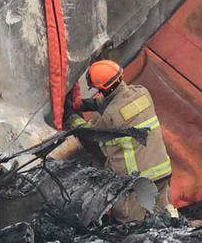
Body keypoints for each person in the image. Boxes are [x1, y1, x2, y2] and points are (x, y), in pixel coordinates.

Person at [52, 60, 176, 222]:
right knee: (164, 222)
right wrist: (86, 104)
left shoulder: (107, 116)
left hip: (136, 184)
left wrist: (71, 116)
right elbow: (118, 100)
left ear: (102, 88)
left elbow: (86, 132)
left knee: (132, 228)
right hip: (162, 173)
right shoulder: (142, 93)